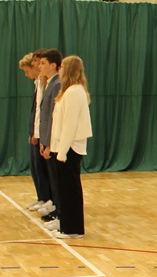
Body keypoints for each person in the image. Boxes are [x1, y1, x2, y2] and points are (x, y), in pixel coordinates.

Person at [48, 55, 92, 239]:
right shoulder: (69, 91)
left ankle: (72, 228)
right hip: (63, 147)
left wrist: (62, 152)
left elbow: (70, 124)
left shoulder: (75, 92)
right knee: (64, 189)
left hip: (70, 148)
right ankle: (66, 225)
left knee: (69, 189)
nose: (59, 70)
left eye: (62, 68)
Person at [20, 53, 52, 213]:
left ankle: (47, 198)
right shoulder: (37, 83)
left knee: (42, 169)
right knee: (35, 168)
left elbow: (43, 112)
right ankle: (41, 197)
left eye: (28, 70)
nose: (27, 74)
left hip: (42, 133)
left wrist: (37, 133)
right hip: (36, 131)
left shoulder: (47, 84)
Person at [36, 49, 63, 230]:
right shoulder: (49, 84)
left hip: (53, 141)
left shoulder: (57, 84)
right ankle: (57, 212)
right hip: (47, 139)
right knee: (53, 179)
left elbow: (53, 118)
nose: (40, 66)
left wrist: (48, 143)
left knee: (57, 181)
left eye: (43, 63)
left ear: (53, 65)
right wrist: (42, 141)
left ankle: (60, 214)